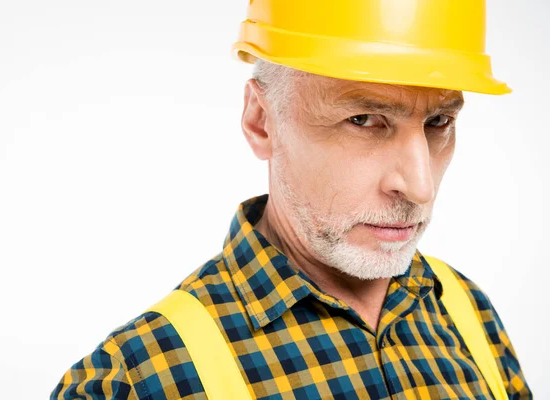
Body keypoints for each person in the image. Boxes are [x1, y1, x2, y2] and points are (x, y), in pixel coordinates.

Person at [50, 0, 531, 398]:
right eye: (364, 119)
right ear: (262, 121)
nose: (419, 186)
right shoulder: (135, 380)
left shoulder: (468, 313)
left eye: (438, 123)